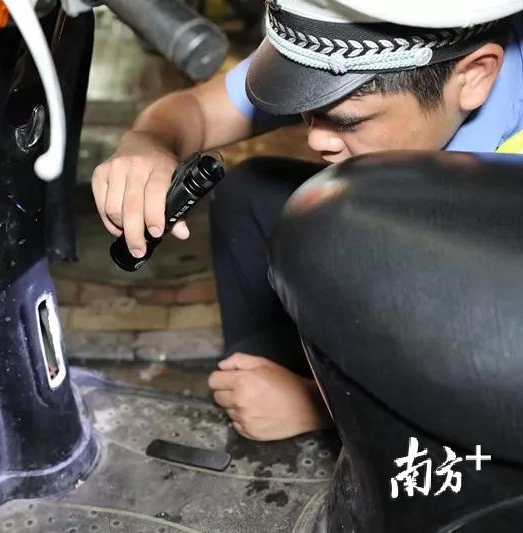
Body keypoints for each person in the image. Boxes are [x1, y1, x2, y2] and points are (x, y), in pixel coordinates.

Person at [91, 0, 523, 441]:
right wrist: (146, 143)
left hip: (488, 316)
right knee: (250, 192)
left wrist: (318, 406)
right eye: (309, 109)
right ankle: (262, 375)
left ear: (474, 76)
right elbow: (197, 111)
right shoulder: (357, 56)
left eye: (347, 121)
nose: (315, 139)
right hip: (419, 220)